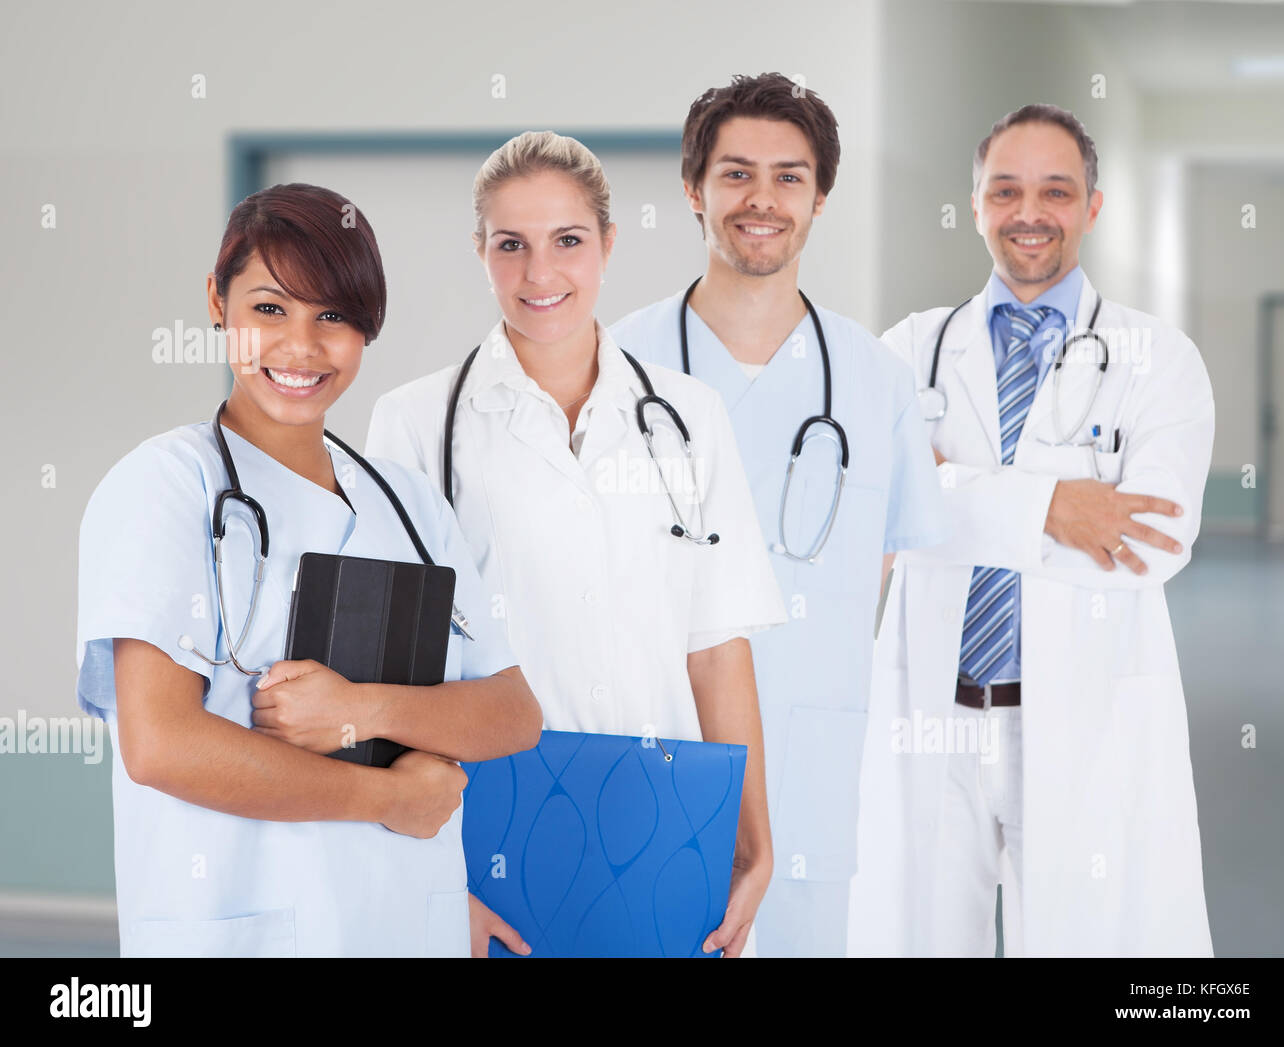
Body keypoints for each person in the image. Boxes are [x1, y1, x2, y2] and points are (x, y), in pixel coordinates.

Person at [76, 183, 541, 958]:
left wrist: (361, 708)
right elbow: (161, 743)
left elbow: (511, 711)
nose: (300, 347)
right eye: (269, 309)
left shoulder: (410, 502)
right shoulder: (165, 485)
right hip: (246, 930)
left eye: (332, 315)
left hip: (407, 926)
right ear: (216, 303)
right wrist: (387, 795)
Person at [366, 131, 787, 958]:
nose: (539, 273)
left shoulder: (689, 417)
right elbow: (393, 679)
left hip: (665, 829)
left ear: (607, 244)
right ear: (481, 253)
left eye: (567, 241)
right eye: (510, 245)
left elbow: (715, 646)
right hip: (487, 835)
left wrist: (754, 841)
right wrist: (437, 878)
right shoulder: (415, 426)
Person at [857, 104, 1215, 957]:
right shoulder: (908, 350)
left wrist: (948, 488)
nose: (1030, 212)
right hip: (932, 718)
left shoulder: (1157, 359)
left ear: (1092, 205)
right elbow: (874, 509)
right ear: (977, 202)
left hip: (1087, 725)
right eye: (1006, 190)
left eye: (1056, 191)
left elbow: (1145, 546)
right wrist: (1056, 505)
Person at [610, 73, 948, 958]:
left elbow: (876, 571)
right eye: (736, 174)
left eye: (789, 176)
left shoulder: (876, 382)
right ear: (694, 190)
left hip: (810, 772)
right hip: (648, 755)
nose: (762, 200)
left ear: (820, 197)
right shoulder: (618, 365)